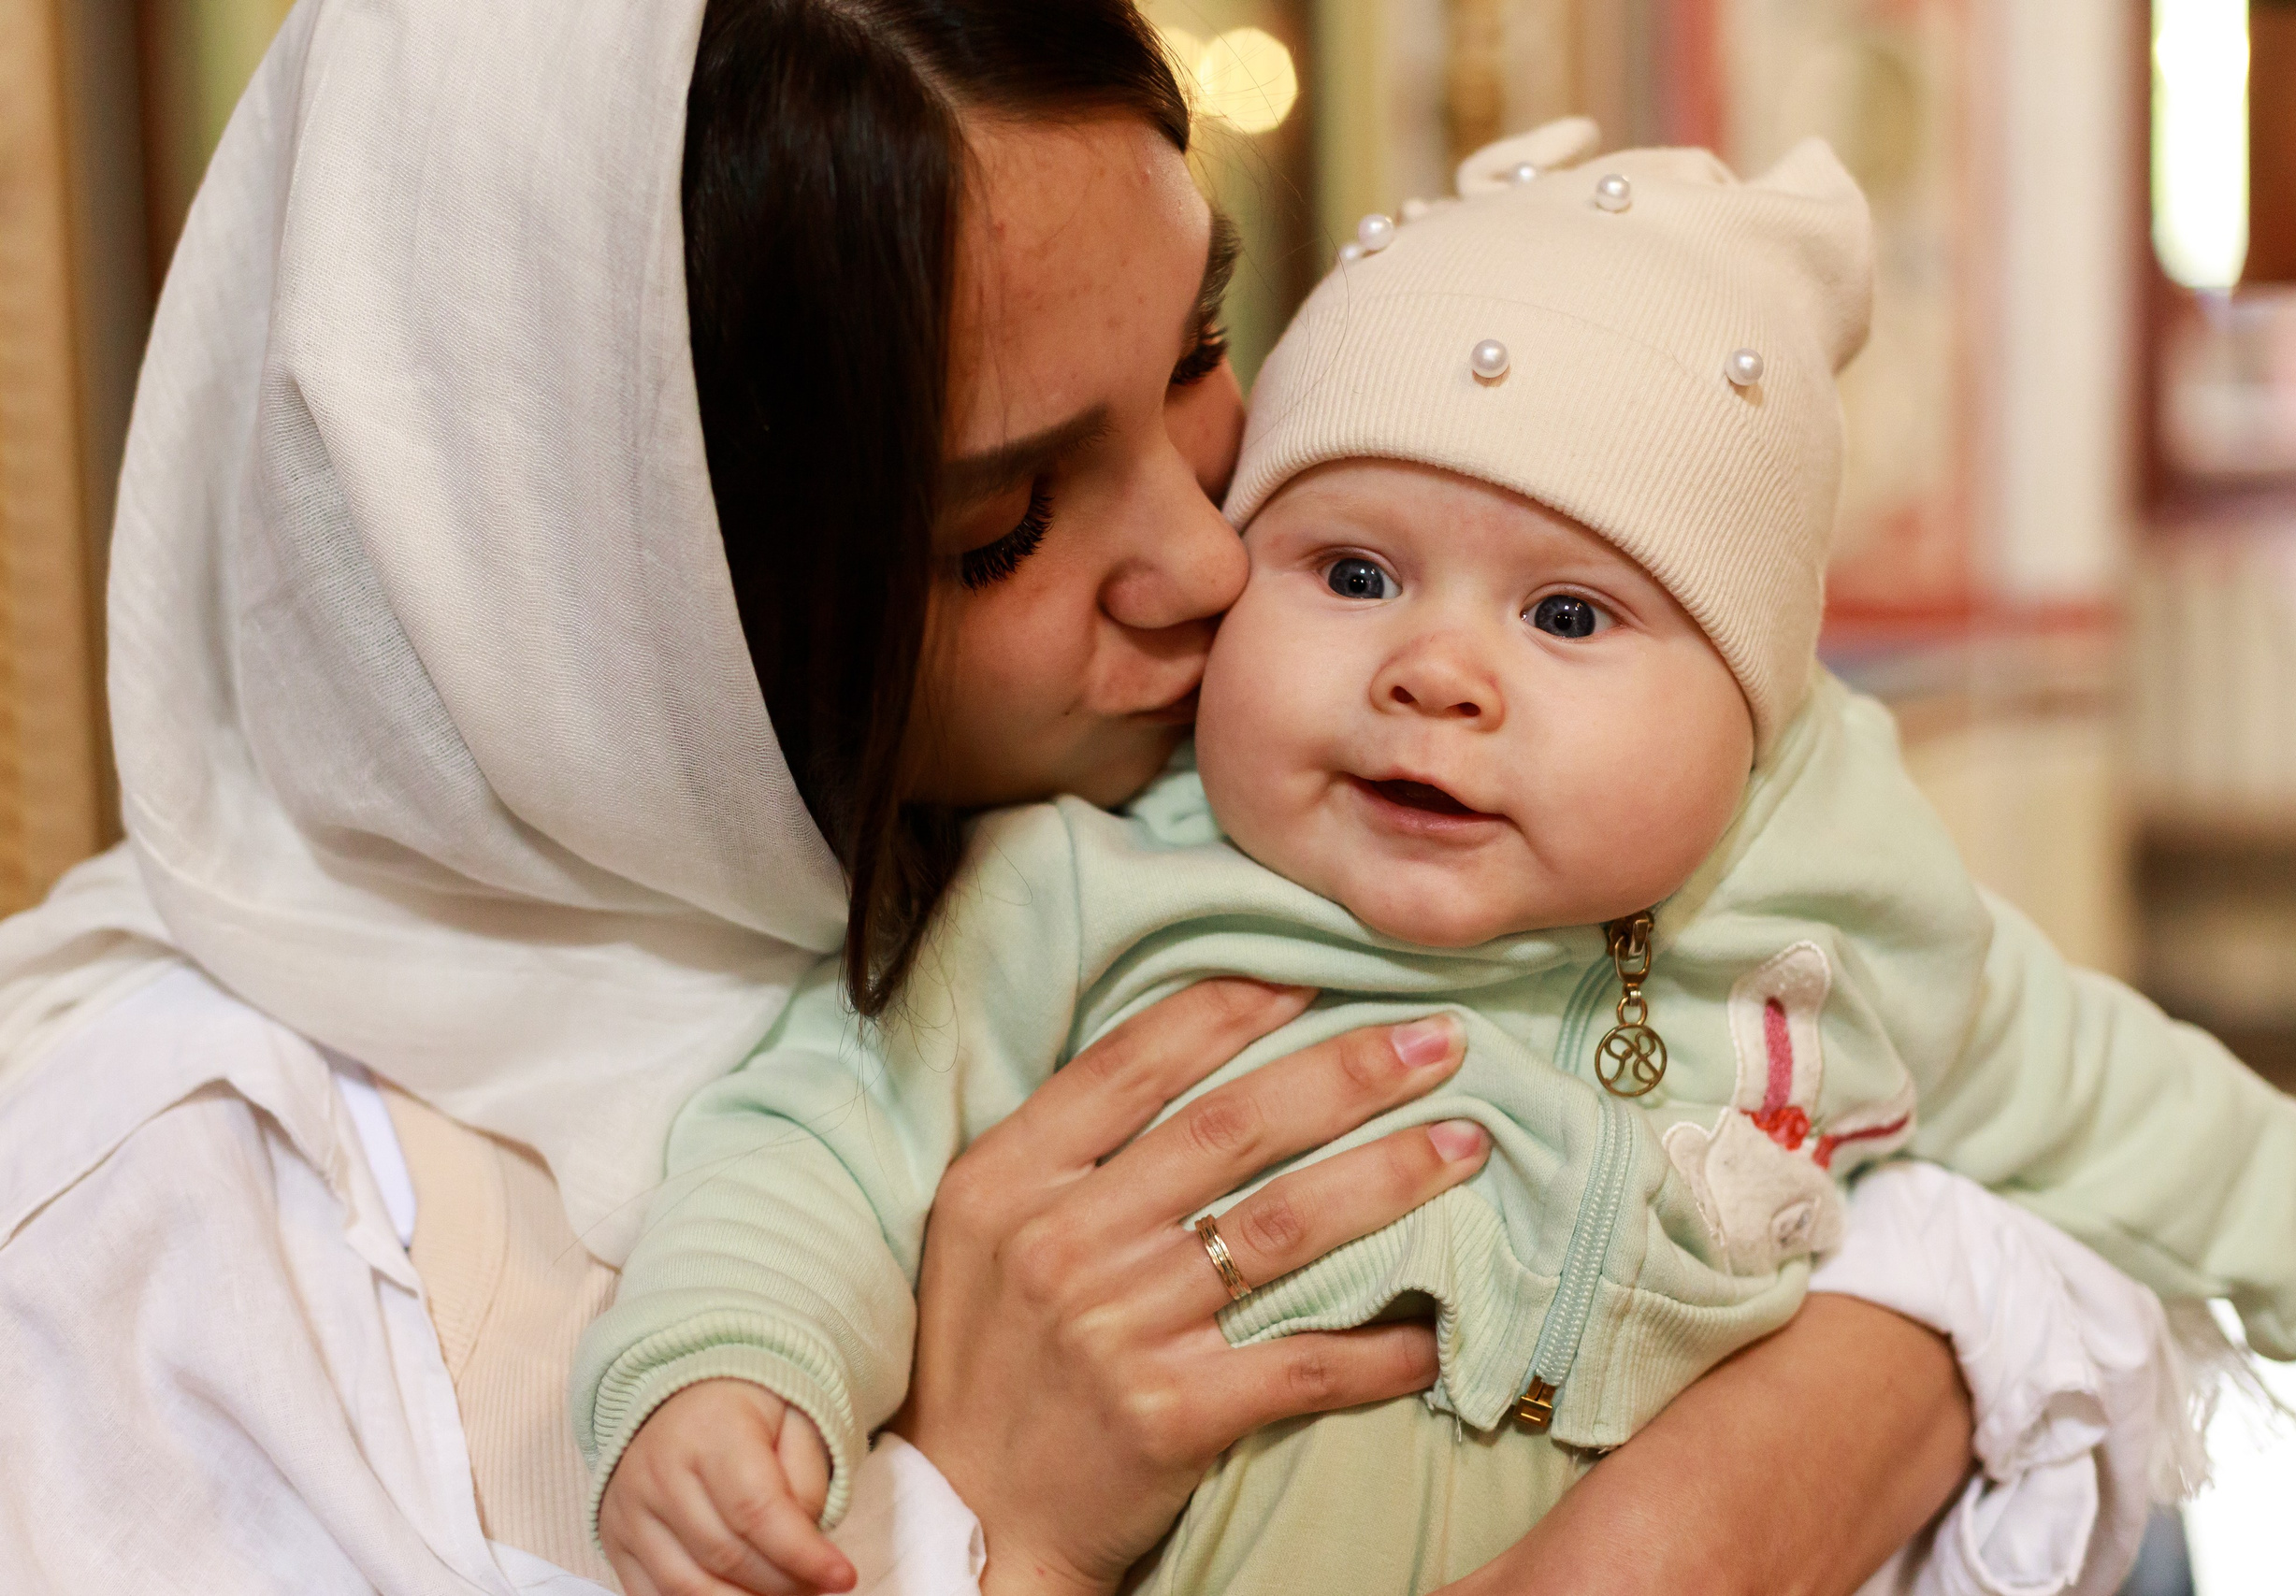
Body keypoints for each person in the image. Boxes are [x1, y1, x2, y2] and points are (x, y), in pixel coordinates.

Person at [0, 0, 2145, 1590]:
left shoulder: (1231, 823)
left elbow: (1999, 1173)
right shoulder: (163, 1215)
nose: (1210, 561)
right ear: (589, 605)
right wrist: (985, 1507)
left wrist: (1778, 1437)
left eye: (1200, 354)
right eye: (996, 530)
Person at [578, 125, 2296, 1596]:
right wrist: (724, 1367)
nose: (1431, 669)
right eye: (1349, 569)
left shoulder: (1844, 923)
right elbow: (817, 1127)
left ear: (1751, 706)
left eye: (1567, 610)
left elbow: (2168, 1129)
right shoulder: (1087, 887)